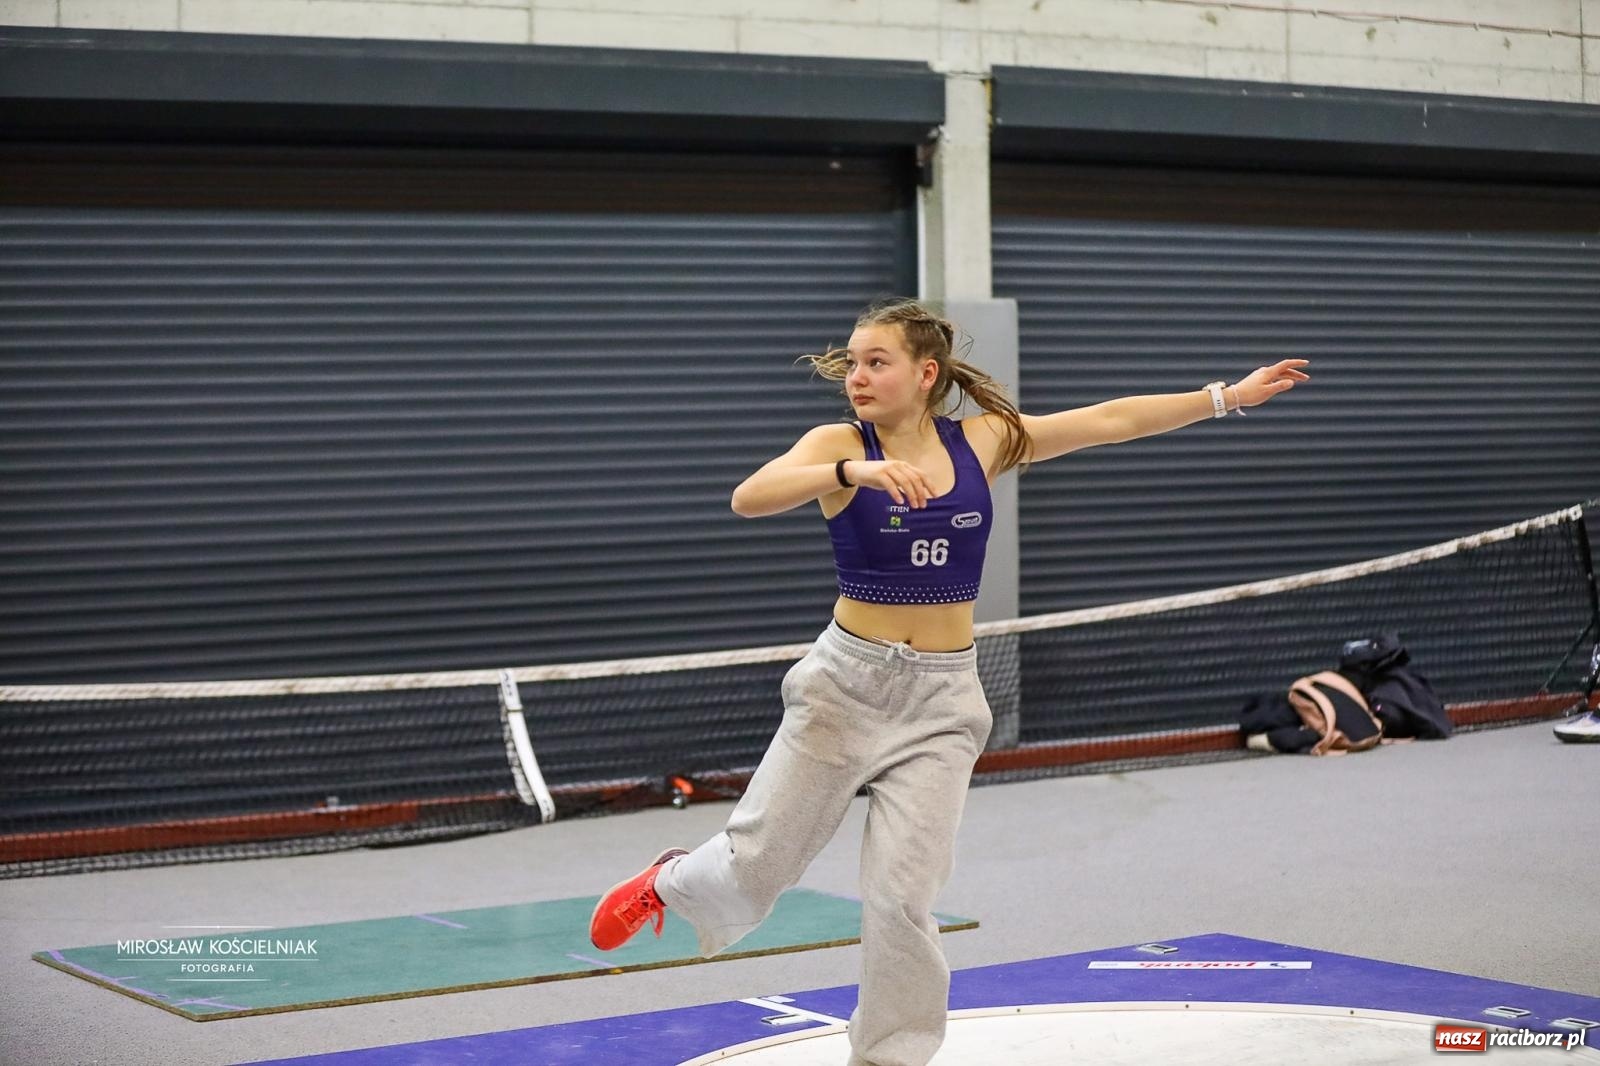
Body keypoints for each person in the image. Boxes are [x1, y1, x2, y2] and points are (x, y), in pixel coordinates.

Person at [589, 298, 1310, 1066]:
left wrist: (1227, 396)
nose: (858, 376)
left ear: (924, 373)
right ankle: (671, 883)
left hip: (943, 697)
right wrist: (849, 471)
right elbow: (749, 496)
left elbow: (1109, 420)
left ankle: (889, 1055)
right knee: (759, 867)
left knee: (904, 899)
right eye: (854, 363)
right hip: (845, 688)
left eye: (877, 362)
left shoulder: (986, 441)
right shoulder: (838, 442)